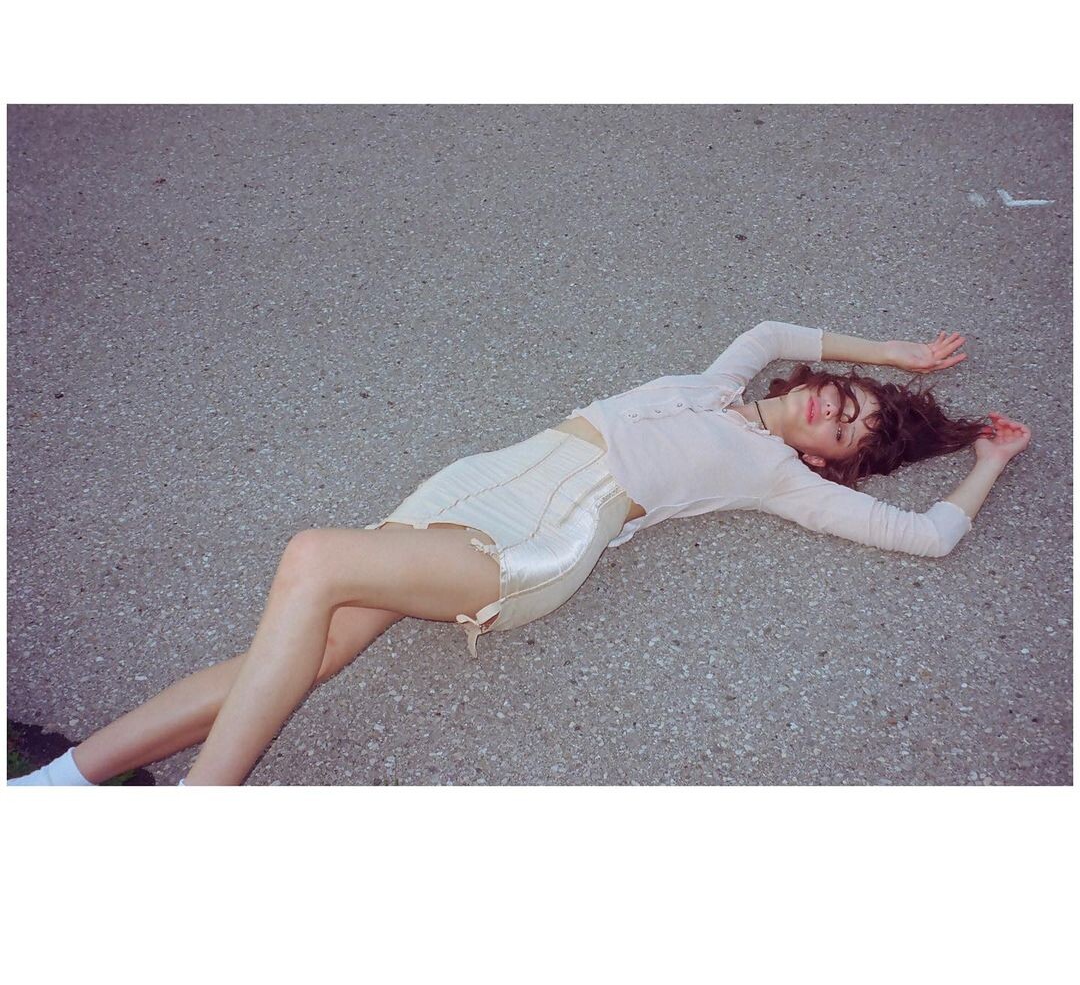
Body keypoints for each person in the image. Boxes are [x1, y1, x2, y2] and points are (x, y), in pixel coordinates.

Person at [8, 321, 1031, 787]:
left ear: (826, 462)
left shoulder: (778, 476)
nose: (833, 411)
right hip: (467, 490)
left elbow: (929, 535)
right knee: (297, 655)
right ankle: (60, 788)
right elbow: (770, 329)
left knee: (313, 560)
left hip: (538, 542)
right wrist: (891, 356)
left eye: (846, 432)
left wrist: (983, 463)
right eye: (843, 397)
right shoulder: (722, 384)